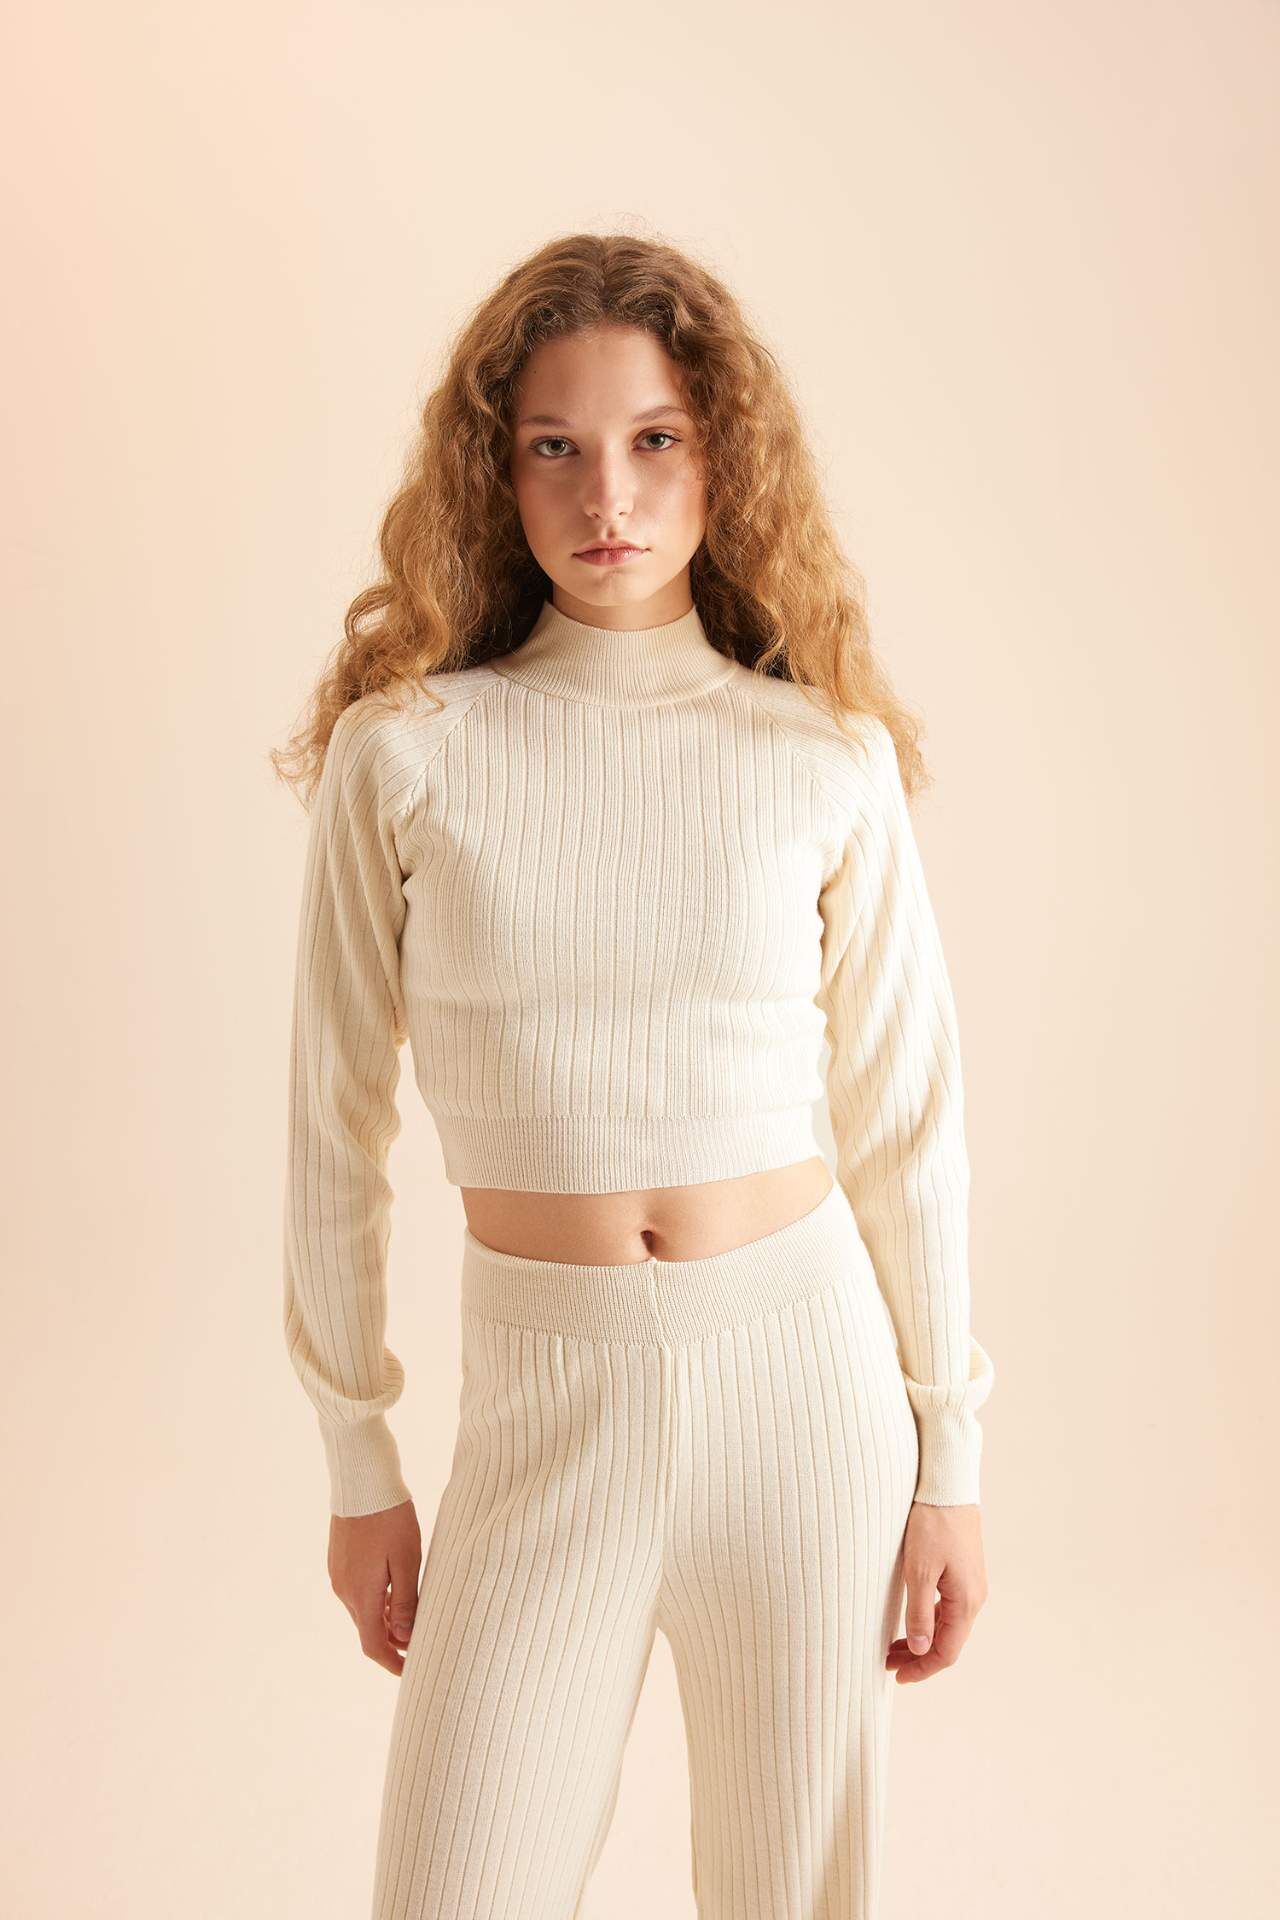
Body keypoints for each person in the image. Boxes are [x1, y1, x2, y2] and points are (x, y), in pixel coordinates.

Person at [273, 231, 995, 1920]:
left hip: (803, 1394)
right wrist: (360, 1464)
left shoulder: (822, 755)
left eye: (655, 438)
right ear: (497, 469)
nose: (609, 493)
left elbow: (908, 1122)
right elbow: (331, 1124)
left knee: (795, 1894)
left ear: (721, 455)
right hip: (543, 1401)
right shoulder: (409, 754)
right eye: (557, 446)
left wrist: (950, 1460)